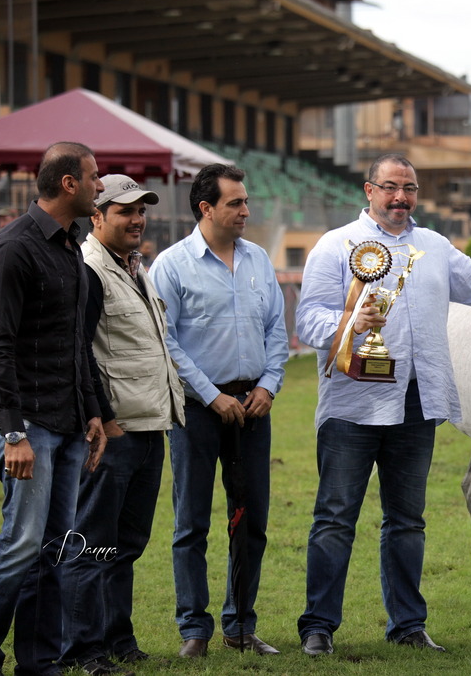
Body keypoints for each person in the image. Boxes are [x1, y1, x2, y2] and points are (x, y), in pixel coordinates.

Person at [295, 153, 471, 657]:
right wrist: (352, 326)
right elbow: (308, 321)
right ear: (369, 190)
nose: (401, 197)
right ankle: (319, 627)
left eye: (410, 188)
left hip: (417, 403)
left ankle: (408, 626)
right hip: (352, 404)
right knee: (334, 518)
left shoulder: (434, 246)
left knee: (408, 521)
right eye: (391, 187)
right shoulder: (335, 246)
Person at [0, 142, 108, 676]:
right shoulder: (13, 247)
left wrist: (91, 413)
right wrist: (12, 434)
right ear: (69, 183)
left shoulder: (70, 245)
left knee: (52, 550)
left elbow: (74, 344)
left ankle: (40, 663)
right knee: (20, 544)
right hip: (27, 426)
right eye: (94, 177)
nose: (100, 185)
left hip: (68, 423)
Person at [149, 164, 287, 659]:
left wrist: (269, 385)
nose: (246, 210)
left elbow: (276, 329)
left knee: (251, 521)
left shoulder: (258, 261)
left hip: (254, 406)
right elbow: (165, 342)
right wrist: (211, 395)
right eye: (236, 203)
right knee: (192, 522)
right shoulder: (171, 265)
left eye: (246, 201)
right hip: (196, 409)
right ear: (206, 208)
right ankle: (194, 629)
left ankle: (240, 625)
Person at [58, 175, 186, 676]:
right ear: (97, 216)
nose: (136, 220)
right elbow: (79, 354)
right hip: (113, 433)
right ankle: (81, 650)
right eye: (123, 211)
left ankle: (117, 637)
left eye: (141, 211)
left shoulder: (134, 267)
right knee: (92, 544)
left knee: (127, 544)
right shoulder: (89, 270)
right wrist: (103, 419)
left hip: (149, 425)